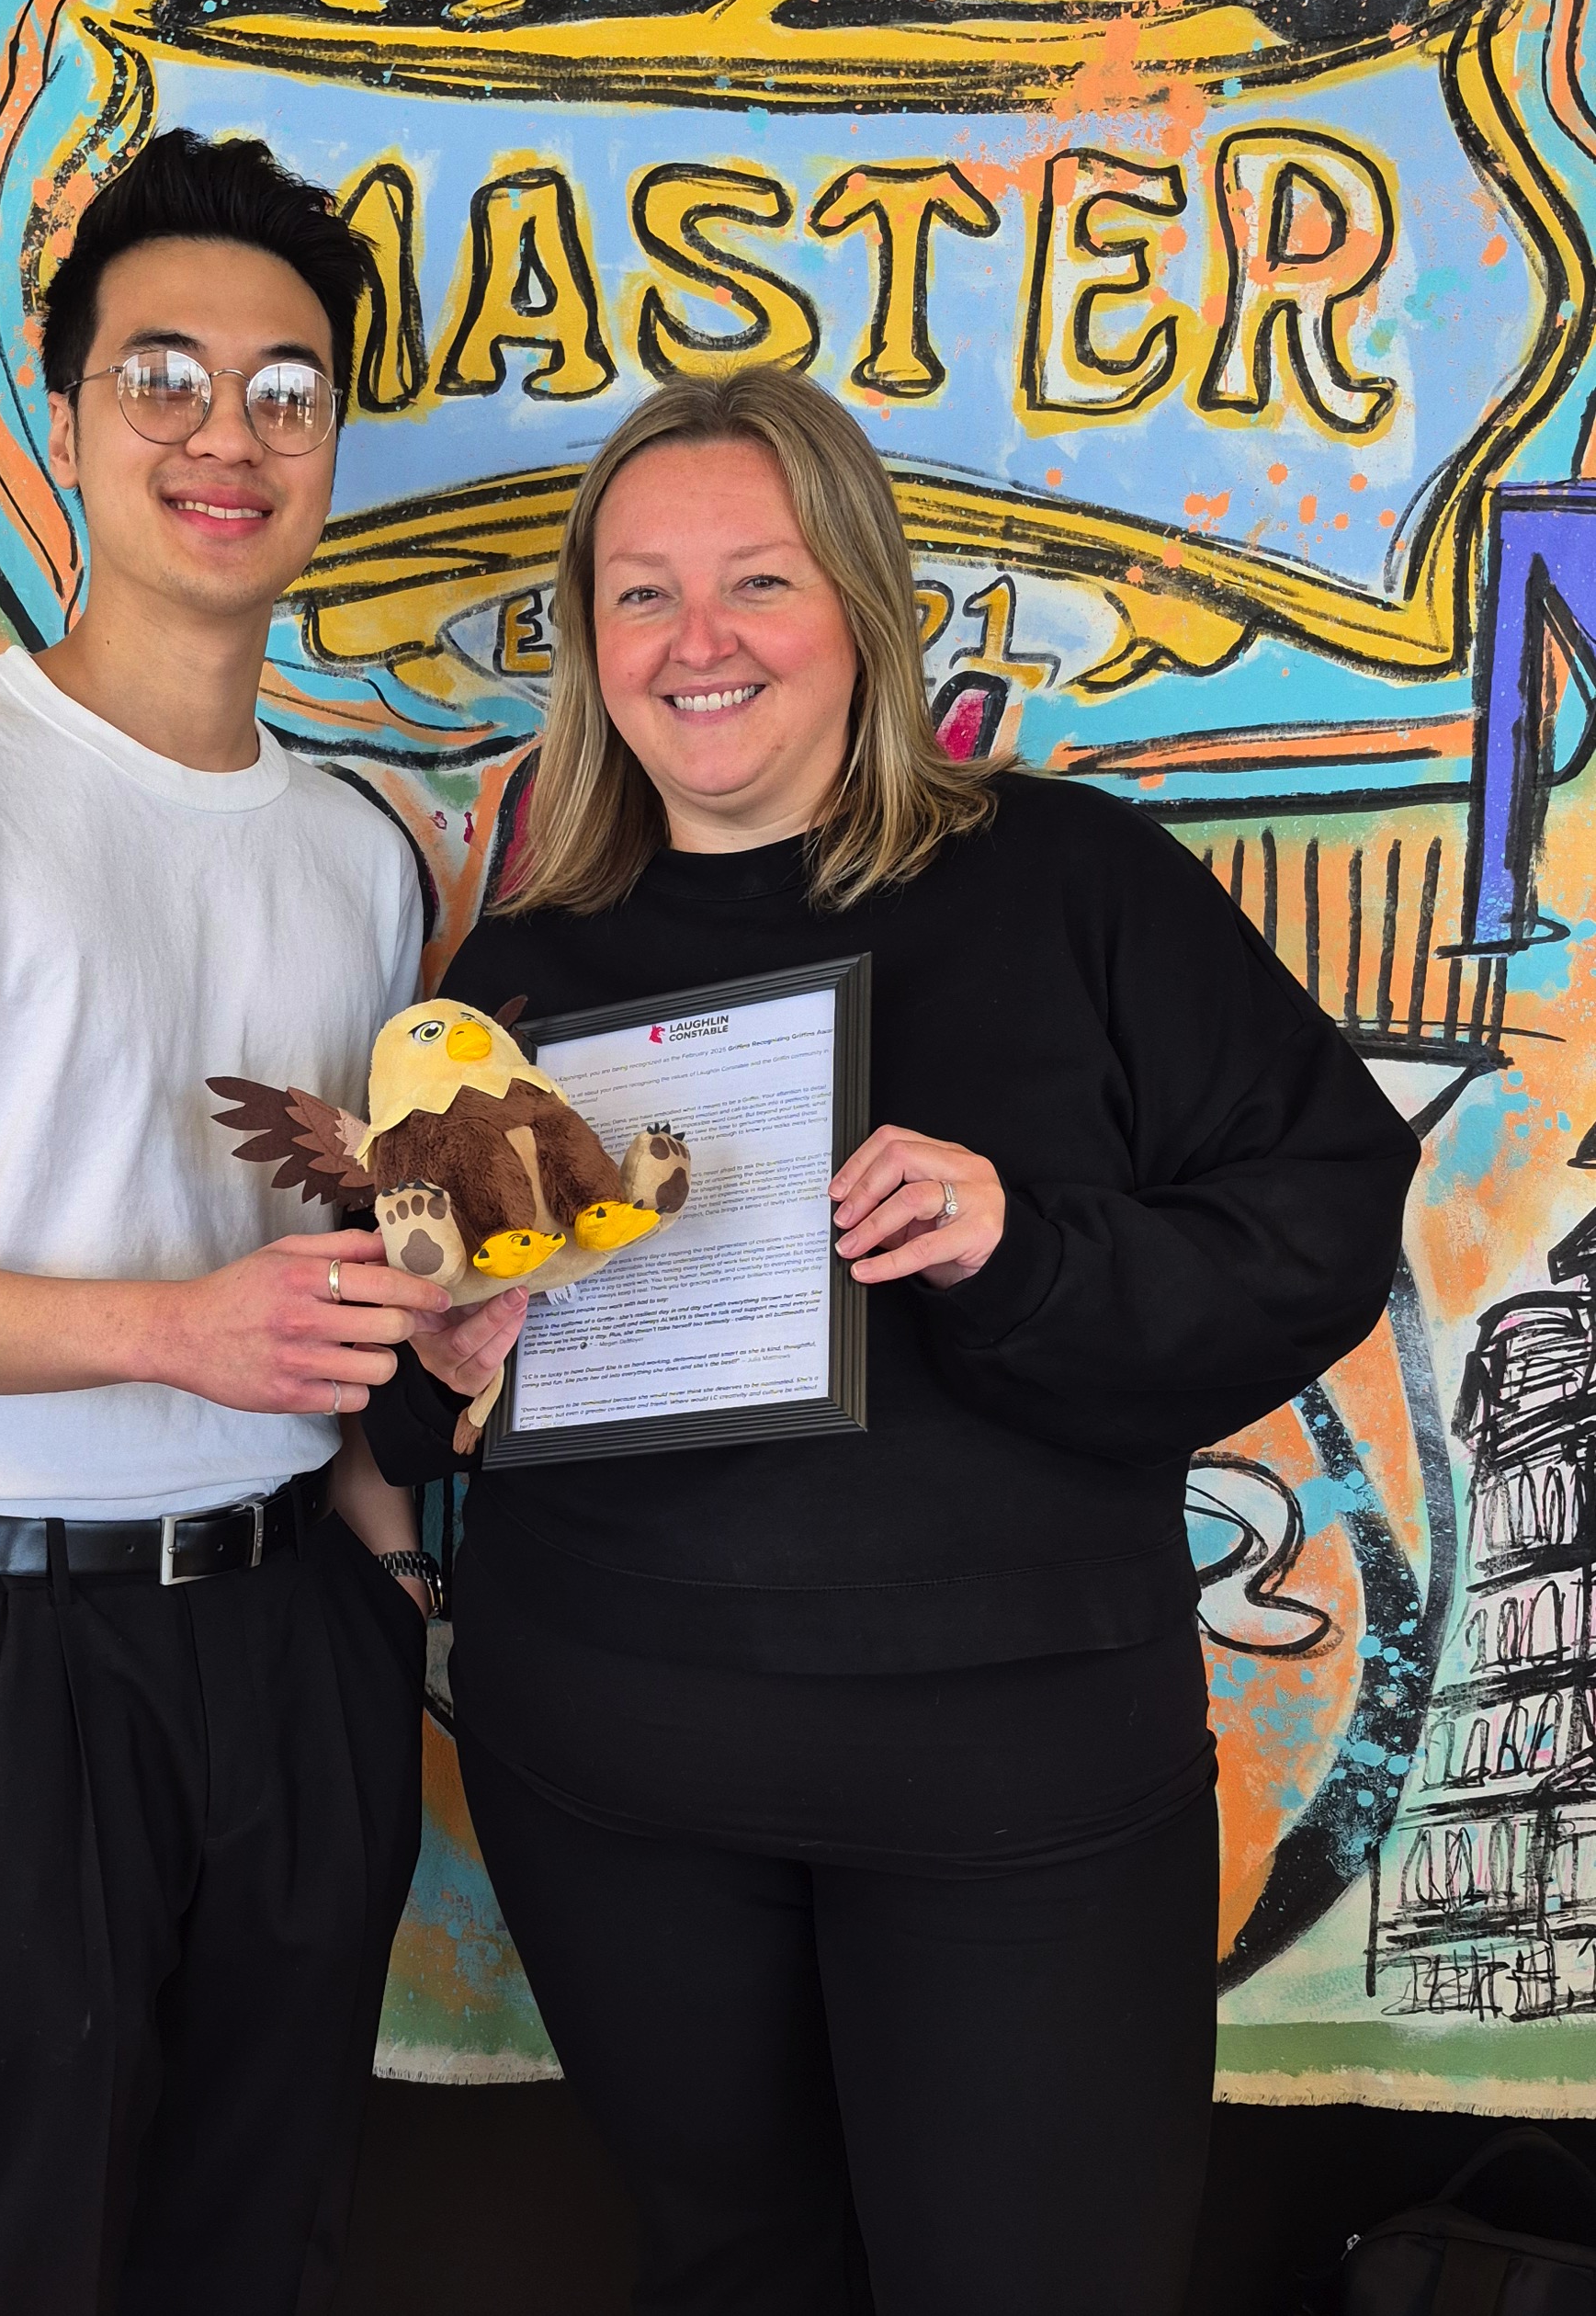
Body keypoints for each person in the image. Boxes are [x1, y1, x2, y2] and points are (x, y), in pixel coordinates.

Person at [368, 370, 1420, 2316]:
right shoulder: (519, 974)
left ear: (861, 600)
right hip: (612, 1778)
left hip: (1015, 1784)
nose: (696, 638)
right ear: (589, 642)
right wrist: (440, 1366)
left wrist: (1024, 1243)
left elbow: (1322, 1221)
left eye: (757, 579)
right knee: (730, 2272)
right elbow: (408, 1406)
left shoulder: (1076, 882)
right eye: (640, 591)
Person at [0, 131, 517, 2316]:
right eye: (163, 374)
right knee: (29, 2249)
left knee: (267, 2233)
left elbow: (334, 1284)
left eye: (284, 389)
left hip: (297, 1630)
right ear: (62, 418)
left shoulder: (356, 853)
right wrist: (170, 1329)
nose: (224, 432)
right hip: (7, 1648)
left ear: (330, 445)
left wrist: (394, 1481)